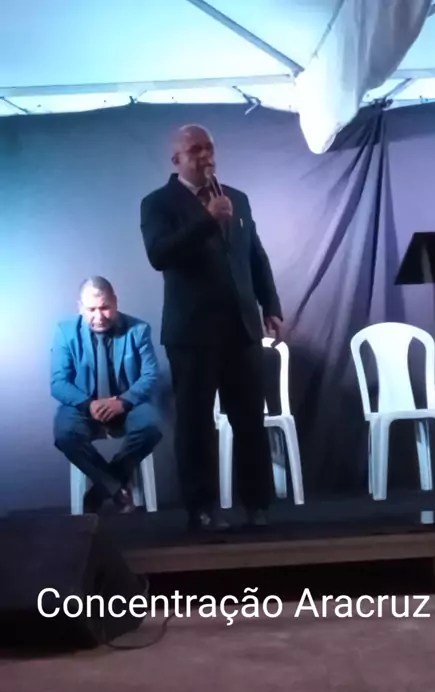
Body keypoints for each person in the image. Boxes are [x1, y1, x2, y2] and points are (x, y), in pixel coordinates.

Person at [140, 124, 283, 531]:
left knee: (250, 420)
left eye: (209, 148)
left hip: (241, 328)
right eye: (195, 150)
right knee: (196, 425)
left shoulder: (236, 198)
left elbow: (254, 256)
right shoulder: (158, 203)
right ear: (177, 160)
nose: (206, 156)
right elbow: (159, 254)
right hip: (192, 333)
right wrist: (207, 219)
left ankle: (258, 506)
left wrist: (270, 304)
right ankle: (201, 509)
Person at [51, 276, 162, 514]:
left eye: (105, 307)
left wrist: (123, 401)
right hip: (83, 406)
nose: (99, 316)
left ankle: (100, 491)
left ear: (115, 302)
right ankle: (116, 488)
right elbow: (58, 383)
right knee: (65, 434)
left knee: (151, 427)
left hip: (128, 405)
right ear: (80, 307)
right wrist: (88, 404)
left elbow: (151, 375)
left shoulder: (139, 330)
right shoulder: (65, 332)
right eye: (91, 309)